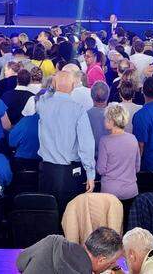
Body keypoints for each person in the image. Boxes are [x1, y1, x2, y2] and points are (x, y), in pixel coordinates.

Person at [35, 68, 96, 211]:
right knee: (68, 218)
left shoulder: (43, 104)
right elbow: (86, 145)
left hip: (47, 170)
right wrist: (90, 174)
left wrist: (53, 85)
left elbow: (43, 96)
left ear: (54, 85)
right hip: (67, 173)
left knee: (47, 215)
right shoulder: (78, 110)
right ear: (73, 86)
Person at [15, 227, 123, 274]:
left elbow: (20, 262)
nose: (114, 265)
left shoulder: (53, 240)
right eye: (112, 262)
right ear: (101, 260)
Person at [96, 104, 140, 201]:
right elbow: (137, 168)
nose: (104, 120)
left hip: (110, 192)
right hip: (131, 190)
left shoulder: (104, 141)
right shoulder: (133, 138)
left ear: (112, 121)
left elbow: (101, 170)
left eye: (106, 118)